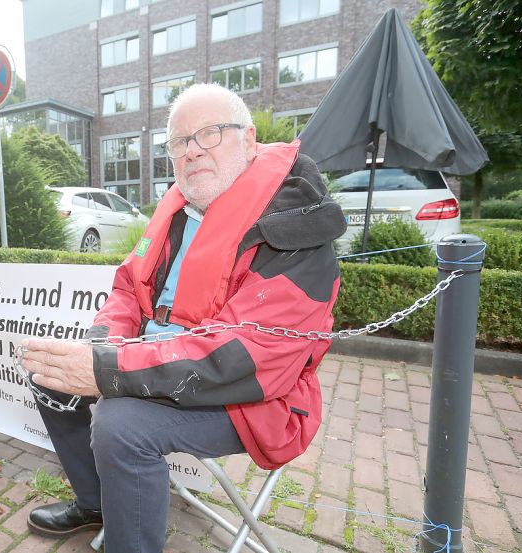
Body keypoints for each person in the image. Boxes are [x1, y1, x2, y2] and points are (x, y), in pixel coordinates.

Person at [20, 83, 346, 552]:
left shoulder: (294, 228)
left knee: (121, 424)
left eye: (210, 133)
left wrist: (107, 370)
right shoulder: (178, 210)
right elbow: (129, 289)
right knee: (50, 373)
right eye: (179, 142)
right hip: (159, 363)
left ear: (249, 140)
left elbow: (248, 358)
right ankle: (96, 502)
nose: (192, 151)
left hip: (252, 397)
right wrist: (98, 348)